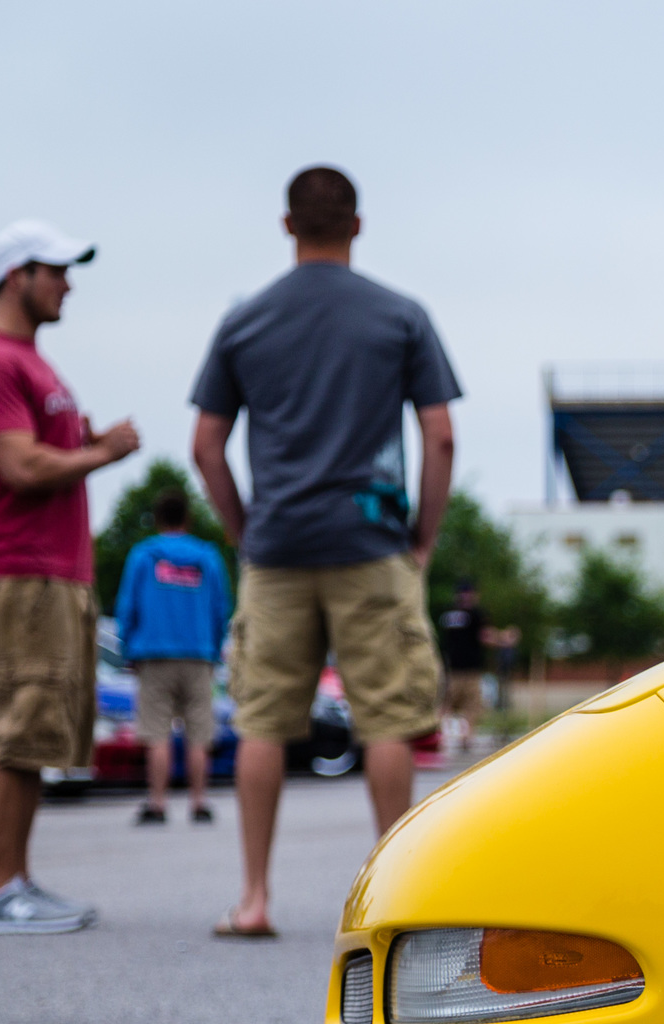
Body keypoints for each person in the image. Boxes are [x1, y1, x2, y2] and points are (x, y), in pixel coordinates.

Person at [191, 166, 458, 940]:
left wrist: (245, 532)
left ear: (286, 225)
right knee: (386, 721)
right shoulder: (400, 315)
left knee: (263, 722)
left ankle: (253, 897)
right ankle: (395, 902)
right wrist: (424, 536)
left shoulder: (244, 322)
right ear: (357, 225)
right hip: (371, 542)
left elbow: (206, 445)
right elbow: (440, 434)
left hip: (277, 547)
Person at [0, 219, 141, 933]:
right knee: (14, 732)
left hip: (52, 576)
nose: (67, 285)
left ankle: (17, 883)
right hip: (19, 573)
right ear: (16, 276)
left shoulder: (30, 362)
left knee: (34, 739)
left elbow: (41, 450)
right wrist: (105, 454)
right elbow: (20, 466)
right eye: (55, 271)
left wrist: (82, 441)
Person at [114, 488, 230, 825]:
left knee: (156, 732)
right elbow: (221, 607)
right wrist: (214, 647)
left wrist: (128, 648)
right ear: (187, 518)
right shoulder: (208, 556)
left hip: (153, 655)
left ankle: (158, 803)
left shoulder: (144, 555)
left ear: (157, 519)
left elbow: (127, 606)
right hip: (199, 655)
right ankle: (199, 802)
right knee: (200, 733)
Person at [436, 579, 487, 754]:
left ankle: (440, 735)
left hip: (452, 667)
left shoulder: (448, 613)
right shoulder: (476, 613)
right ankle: (465, 737)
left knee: (447, 704)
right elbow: (484, 636)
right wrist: (504, 639)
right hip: (468, 668)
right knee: (470, 705)